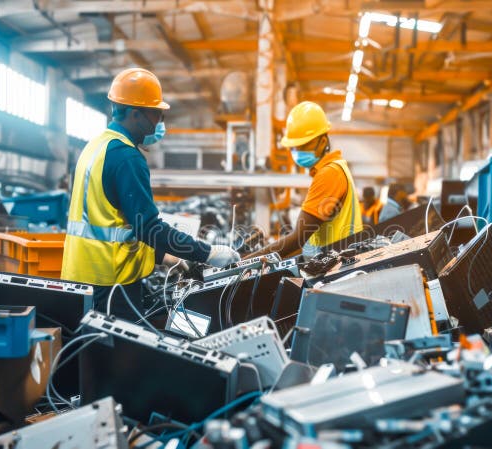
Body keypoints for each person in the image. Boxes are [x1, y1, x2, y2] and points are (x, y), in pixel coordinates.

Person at [61, 68, 240, 319]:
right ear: (135, 113)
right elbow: (149, 228)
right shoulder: (126, 157)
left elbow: (113, 221)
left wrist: (164, 256)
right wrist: (207, 253)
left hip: (81, 277)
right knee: (125, 354)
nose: (159, 123)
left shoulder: (97, 146)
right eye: (157, 114)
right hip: (112, 283)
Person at [245, 101, 363, 259]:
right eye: (294, 147)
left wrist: (243, 263)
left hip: (338, 268)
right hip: (337, 262)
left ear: (322, 142)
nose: (298, 152)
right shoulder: (337, 168)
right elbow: (306, 240)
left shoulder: (329, 174)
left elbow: (298, 238)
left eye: (304, 145)